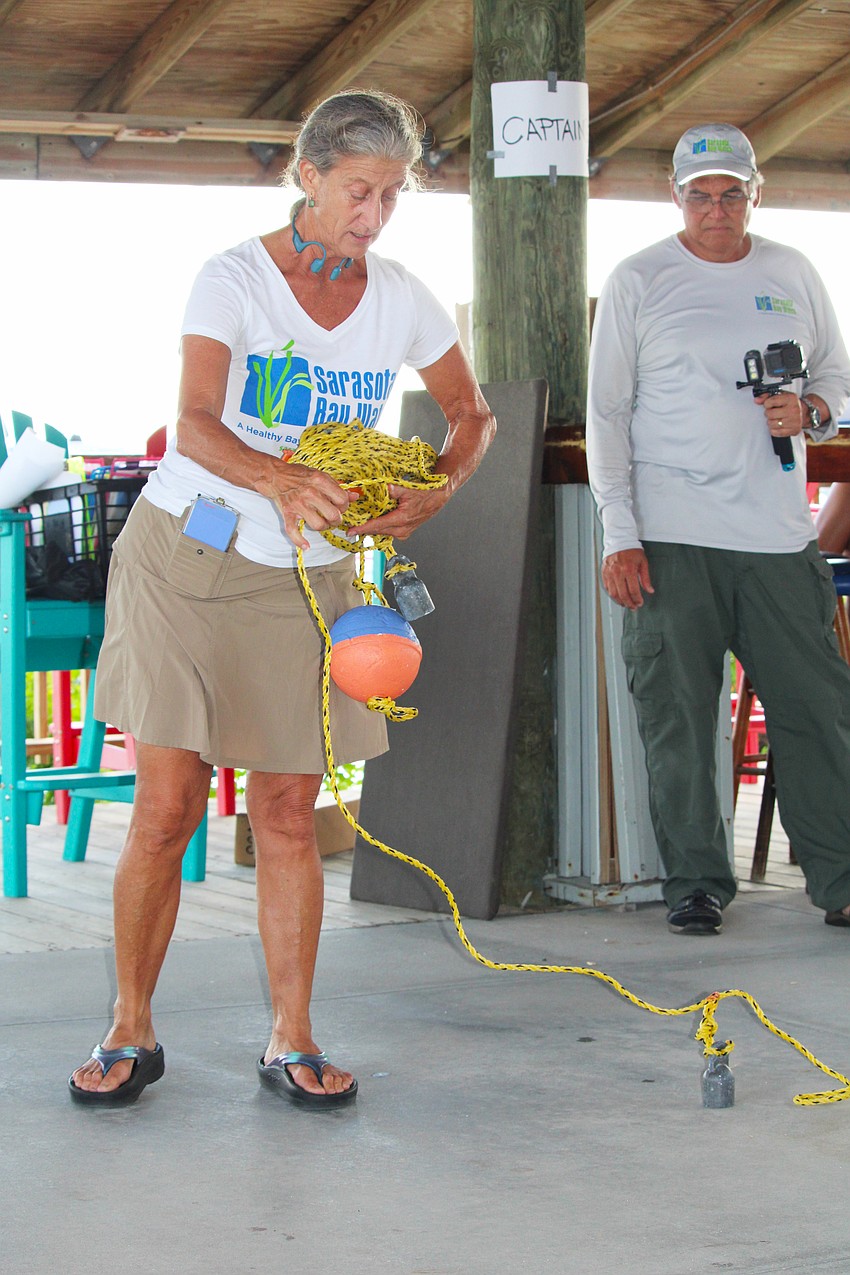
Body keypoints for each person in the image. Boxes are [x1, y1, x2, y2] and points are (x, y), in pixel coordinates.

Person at [69, 89, 496, 1106]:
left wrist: (437, 485)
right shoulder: (233, 279)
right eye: (358, 191)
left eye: (392, 196)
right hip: (185, 563)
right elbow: (196, 421)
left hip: (307, 580)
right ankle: (132, 1028)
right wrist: (279, 477)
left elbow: (471, 412)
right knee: (167, 811)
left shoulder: (400, 295)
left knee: (290, 814)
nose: (374, 215)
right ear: (307, 176)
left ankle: (291, 1039)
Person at [586, 122, 850, 936]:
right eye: (700, 194)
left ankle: (840, 879)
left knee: (819, 711)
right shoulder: (639, 279)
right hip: (669, 535)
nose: (716, 208)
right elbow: (607, 414)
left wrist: (808, 408)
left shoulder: (792, 269)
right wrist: (618, 533)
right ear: (676, 197)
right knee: (679, 716)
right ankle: (696, 883)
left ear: (754, 195)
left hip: (776, 537)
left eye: (731, 193)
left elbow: (838, 373)